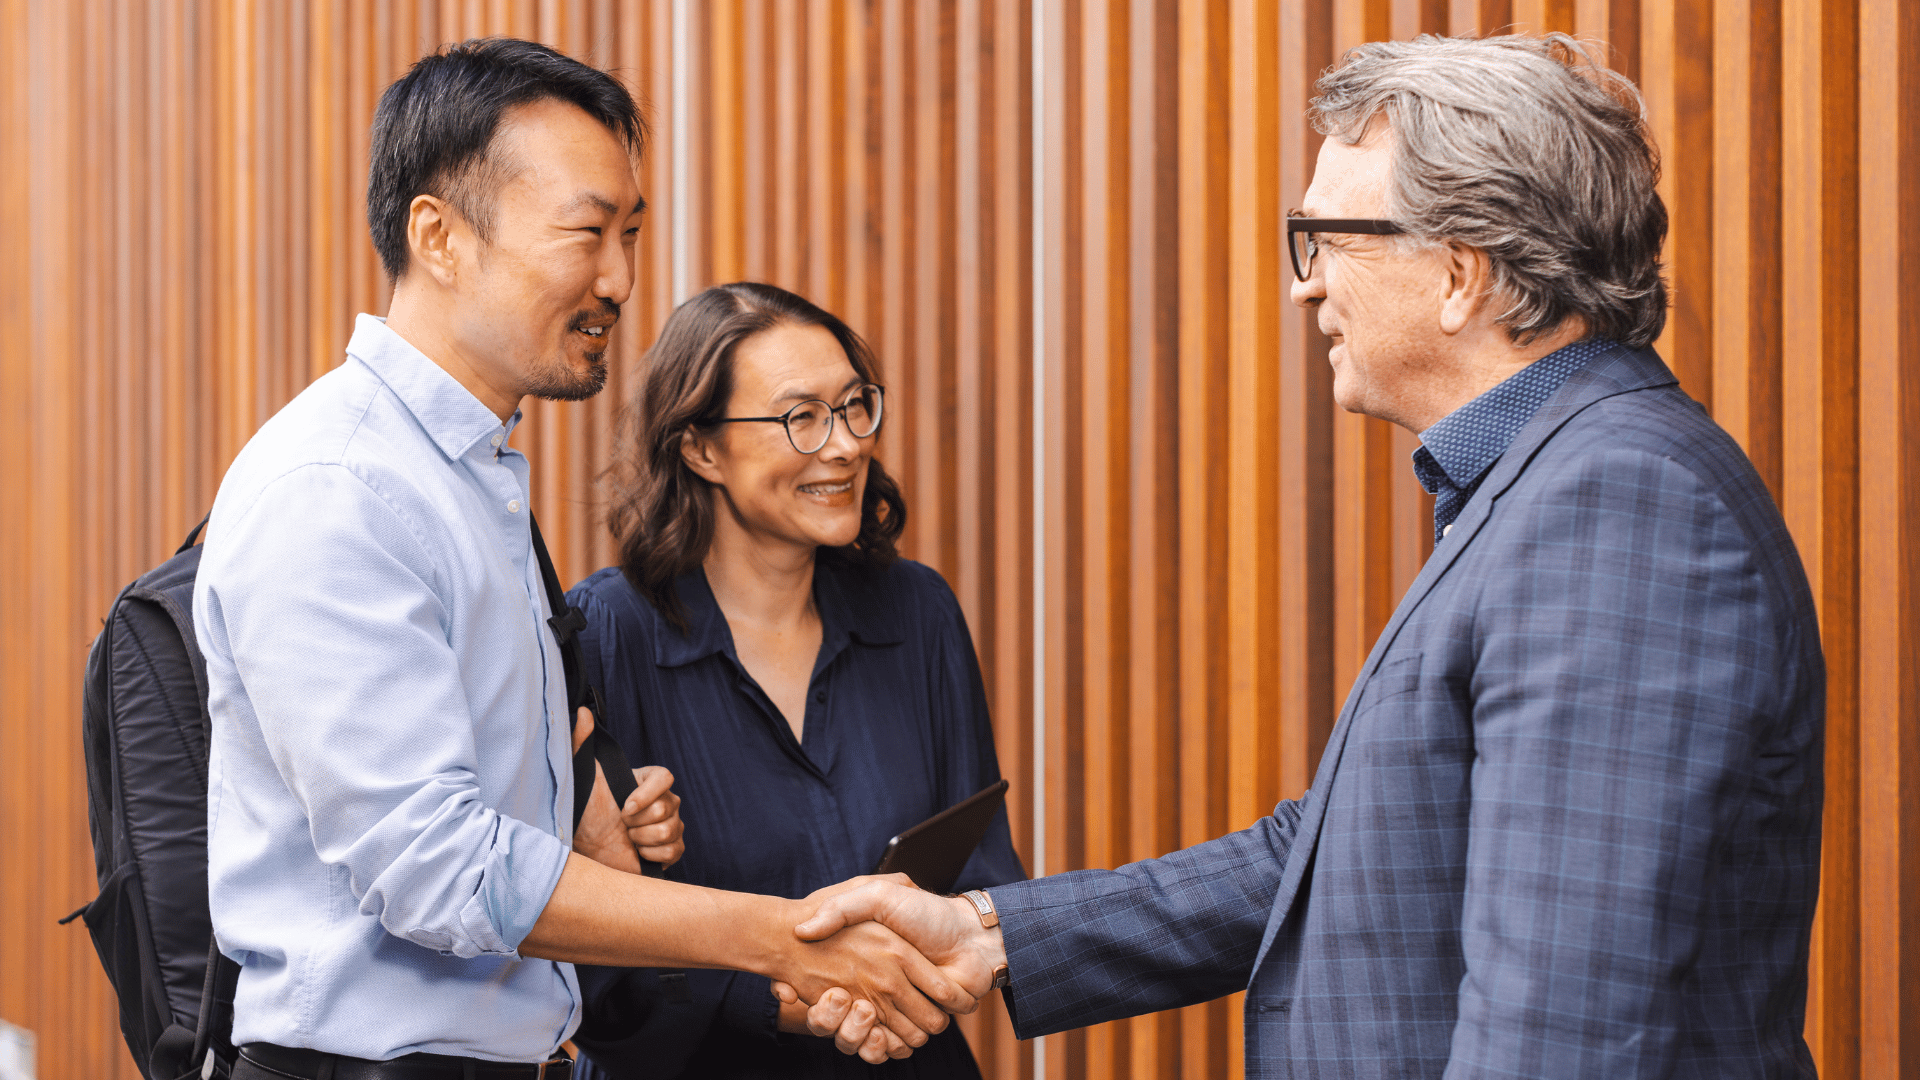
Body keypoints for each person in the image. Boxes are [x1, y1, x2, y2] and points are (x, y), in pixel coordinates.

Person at [793, 33, 1825, 1078]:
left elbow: (1567, 1024)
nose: (1306, 286)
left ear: (1461, 273)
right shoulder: (1548, 479)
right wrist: (989, 935)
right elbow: (1344, 851)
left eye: (1325, 238)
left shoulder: (1617, 506)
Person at [194, 39, 988, 1080]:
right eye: (586, 233)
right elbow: (434, 869)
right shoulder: (341, 486)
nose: (619, 279)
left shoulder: (469, 479)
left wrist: (584, 832)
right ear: (439, 236)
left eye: (631, 235)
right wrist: (780, 938)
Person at [561, 282, 1027, 1078]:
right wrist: (801, 1000)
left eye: (854, 406)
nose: (844, 445)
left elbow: (983, 877)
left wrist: (911, 974)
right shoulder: (609, 632)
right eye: (800, 417)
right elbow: (591, 965)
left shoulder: (918, 612)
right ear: (700, 448)